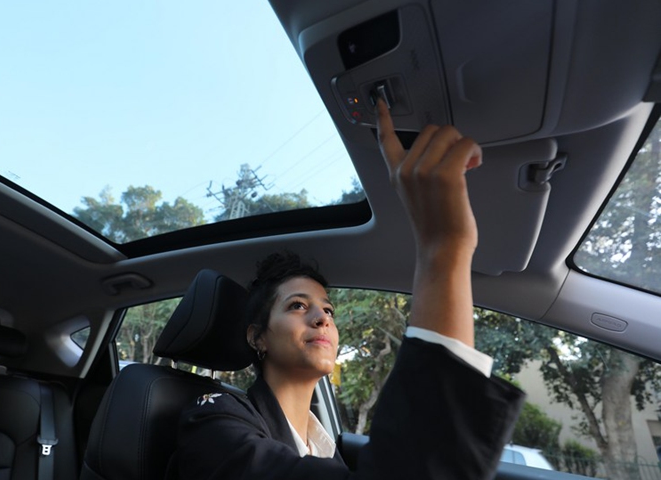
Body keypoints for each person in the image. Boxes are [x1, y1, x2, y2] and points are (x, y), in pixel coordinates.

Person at [169, 100, 525, 479]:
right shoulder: (214, 419)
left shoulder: (327, 448)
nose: (321, 317)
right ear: (259, 337)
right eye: (296, 306)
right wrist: (443, 249)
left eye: (328, 310)